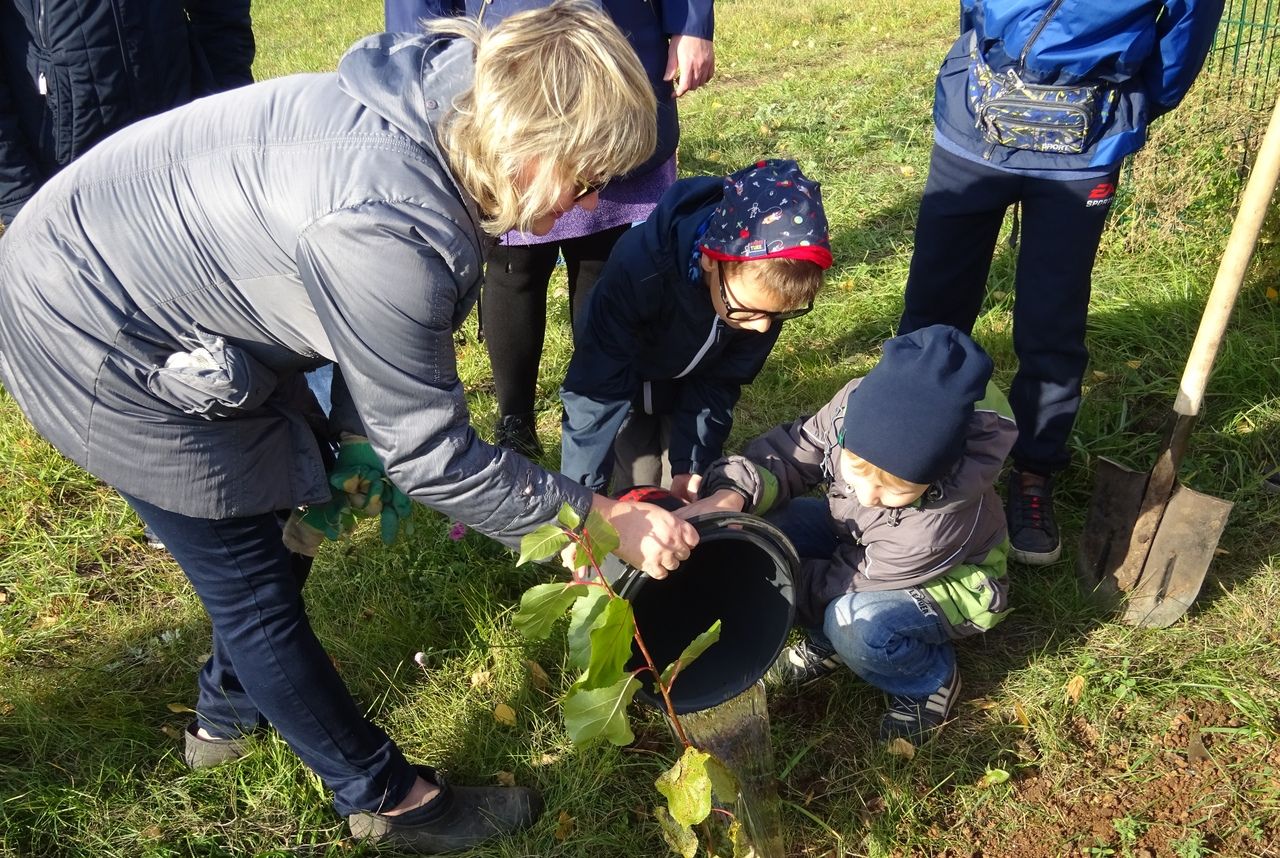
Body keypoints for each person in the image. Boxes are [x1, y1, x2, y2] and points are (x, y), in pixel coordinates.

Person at [0, 2, 699, 852]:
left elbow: (377, 372)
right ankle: (387, 799)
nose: (588, 203)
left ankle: (224, 720)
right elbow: (432, 455)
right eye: (587, 181)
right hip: (92, 339)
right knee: (253, 582)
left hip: (144, 282)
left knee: (278, 524)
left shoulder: (448, 103)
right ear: (534, 147)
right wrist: (595, 519)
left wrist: (353, 442)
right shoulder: (391, 228)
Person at [898, 0, 1224, 565]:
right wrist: (991, 66)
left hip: (1084, 144)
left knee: (1052, 319)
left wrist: (1125, 106)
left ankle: (1033, 469)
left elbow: (1184, 36)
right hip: (973, 123)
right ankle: (906, 447)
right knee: (934, 305)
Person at [385, 0, 715, 458]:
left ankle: (595, 404)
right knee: (513, 263)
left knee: (605, 253)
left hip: (620, 38)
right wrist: (420, 54)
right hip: (511, 59)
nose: (589, 192)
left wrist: (691, 20)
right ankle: (515, 420)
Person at [681, 325, 1019, 744]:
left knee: (853, 622)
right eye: (856, 470)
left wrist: (770, 592)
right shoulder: (853, 413)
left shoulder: (938, 520)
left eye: (894, 490)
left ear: (935, 476)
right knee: (768, 528)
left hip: (950, 584)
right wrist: (733, 494)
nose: (867, 493)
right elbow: (793, 452)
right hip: (857, 537)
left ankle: (928, 681)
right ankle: (829, 638)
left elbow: (850, 582)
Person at [560, 158, 832, 501]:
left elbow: (720, 380)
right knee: (635, 480)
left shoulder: (759, 302)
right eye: (747, 311)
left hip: (692, 378)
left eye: (775, 316)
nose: (762, 327)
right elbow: (596, 393)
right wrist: (582, 504)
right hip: (626, 379)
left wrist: (691, 465)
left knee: (683, 489)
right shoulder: (640, 269)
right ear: (710, 260)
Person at [0, 0, 254, 228]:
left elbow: (222, 11)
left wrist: (228, 108)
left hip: (183, 144)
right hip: (69, 182)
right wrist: (21, 202)